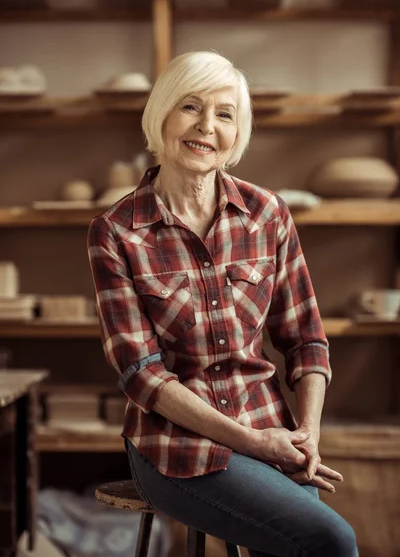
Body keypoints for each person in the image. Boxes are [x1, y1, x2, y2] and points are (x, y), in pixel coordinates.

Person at [88, 51, 358, 556]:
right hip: (177, 448)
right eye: (190, 107)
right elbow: (143, 375)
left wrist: (307, 434)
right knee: (330, 538)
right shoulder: (116, 232)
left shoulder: (267, 215)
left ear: (238, 133)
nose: (206, 127)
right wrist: (254, 445)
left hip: (270, 429)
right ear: (162, 115)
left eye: (225, 114)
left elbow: (306, 341)